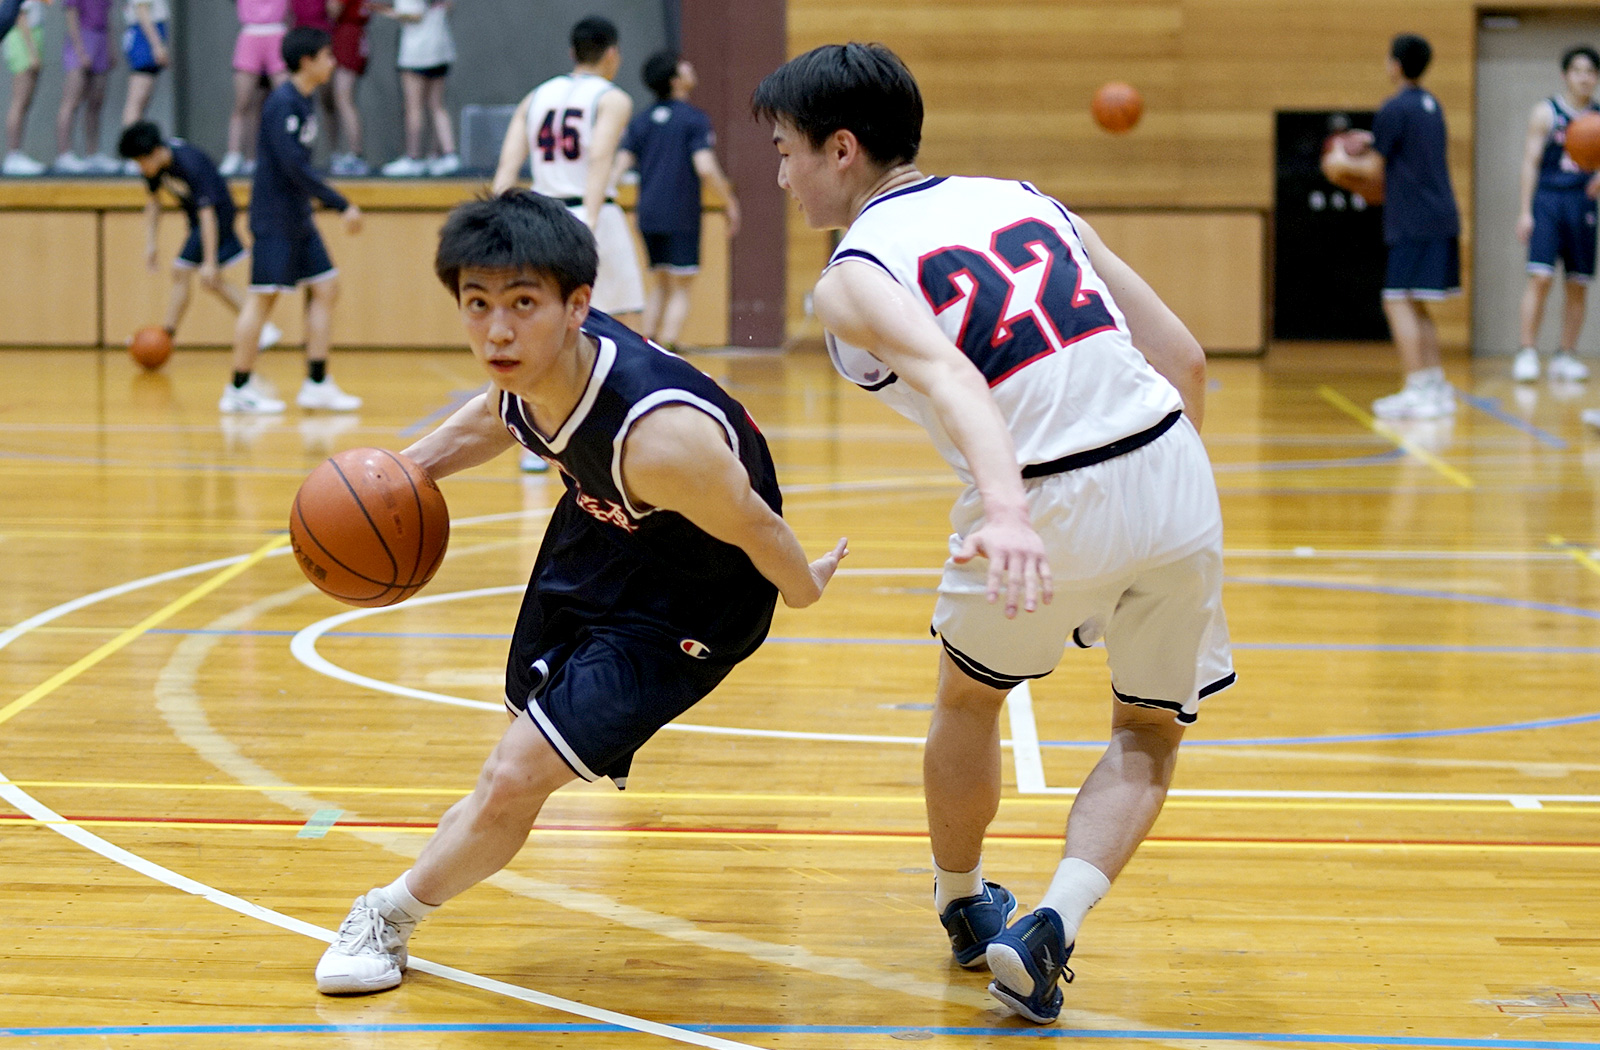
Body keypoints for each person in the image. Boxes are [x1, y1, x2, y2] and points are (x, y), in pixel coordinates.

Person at [753, 43, 1234, 1025]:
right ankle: (1054, 916)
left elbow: (953, 377)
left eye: (784, 150)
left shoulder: (851, 278)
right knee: (1146, 729)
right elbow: (1181, 356)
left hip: (1041, 497)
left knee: (968, 702)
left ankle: (964, 905)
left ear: (840, 150)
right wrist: (1165, 497)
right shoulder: (1027, 199)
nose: (779, 172)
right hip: (1172, 464)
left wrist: (1009, 510)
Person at [312, 189, 849, 995]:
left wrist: (804, 589)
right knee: (511, 765)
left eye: (522, 304)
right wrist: (395, 476)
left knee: (513, 777)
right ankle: (462, 843)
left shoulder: (661, 440)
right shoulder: (531, 368)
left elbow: (756, 525)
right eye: (477, 304)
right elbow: (498, 416)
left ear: (577, 305)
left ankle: (387, 917)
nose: (497, 329)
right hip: (599, 539)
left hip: (691, 601)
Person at [494, 14, 645, 471]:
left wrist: (495, 221)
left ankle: (536, 443)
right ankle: (631, 430)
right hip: (586, 212)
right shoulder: (613, 97)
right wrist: (592, 218)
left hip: (539, 217)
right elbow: (600, 156)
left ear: (572, 53)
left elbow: (507, 167)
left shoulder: (536, 96)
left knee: (543, 329)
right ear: (612, 54)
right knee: (628, 324)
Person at [225, 25, 362, 415]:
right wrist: (340, 203)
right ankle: (238, 386)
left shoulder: (305, 101)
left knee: (325, 286)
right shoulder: (282, 102)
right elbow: (292, 167)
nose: (333, 62)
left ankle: (317, 382)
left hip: (298, 217)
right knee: (262, 299)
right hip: (274, 218)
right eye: (327, 56)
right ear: (308, 61)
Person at [1325, 34, 1462, 420]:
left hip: (1414, 219)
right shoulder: (1430, 104)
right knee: (1416, 301)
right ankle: (1435, 386)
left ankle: (1417, 388)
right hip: (1440, 214)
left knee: (1396, 300)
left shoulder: (1393, 108)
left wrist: (1337, 159)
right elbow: (1408, 150)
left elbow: (1371, 169)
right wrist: (1372, 139)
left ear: (1396, 65)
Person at [118, 120, 282, 352]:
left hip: (218, 217)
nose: (139, 168)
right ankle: (262, 328)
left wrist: (209, 261)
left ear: (154, 153)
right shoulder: (154, 166)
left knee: (184, 270)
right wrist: (151, 243)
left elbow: (208, 215)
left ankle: (166, 337)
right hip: (199, 219)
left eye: (140, 162)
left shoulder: (189, 163)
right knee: (210, 281)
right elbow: (154, 202)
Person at [615, 50, 741, 349]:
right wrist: (730, 202)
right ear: (675, 80)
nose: (690, 67)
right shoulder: (693, 120)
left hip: (647, 214)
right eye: (684, 66)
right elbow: (705, 167)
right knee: (682, 286)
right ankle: (669, 344)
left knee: (659, 281)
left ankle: (647, 346)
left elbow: (617, 169)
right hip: (680, 212)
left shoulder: (641, 121)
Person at [1512, 45, 1599, 385]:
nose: (1584, 77)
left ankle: (1566, 354)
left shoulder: (1598, 116)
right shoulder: (1546, 112)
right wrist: (1525, 212)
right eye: (1578, 71)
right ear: (1566, 75)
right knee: (1541, 278)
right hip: (1548, 200)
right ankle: (1527, 350)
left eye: (1590, 72)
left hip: (1583, 203)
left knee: (1578, 284)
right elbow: (1530, 162)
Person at [378, 0, 457, 176]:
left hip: (416, 51)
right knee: (437, 105)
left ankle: (414, 157)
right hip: (440, 46)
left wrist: (388, 12)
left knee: (414, 108)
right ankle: (446, 154)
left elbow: (414, 15)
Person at [222, 0, 290, 176]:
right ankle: (237, 154)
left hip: (277, 33)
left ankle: (287, 154)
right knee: (243, 104)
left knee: (287, 103)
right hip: (250, 34)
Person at [53, 0, 115, 173]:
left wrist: (110, 47)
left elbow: (107, 19)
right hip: (82, 36)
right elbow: (71, 16)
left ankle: (92, 153)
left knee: (96, 101)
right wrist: (80, 50)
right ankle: (64, 154)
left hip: (100, 38)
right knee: (71, 101)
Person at [1, 0, 45, 175]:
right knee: (19, 100)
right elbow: (18, 16)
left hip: (31, 39)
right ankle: (13, 154)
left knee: (25, 101)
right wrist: (32, 51)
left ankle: (16, 153)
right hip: (22, 41)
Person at [327, 0, 370, 174]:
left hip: (348, 37)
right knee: (345, 98)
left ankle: (355, 154)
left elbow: (333, 10)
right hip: (356, 35)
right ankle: (354, 154)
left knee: (343, 99)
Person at [118, 0, 169, 134]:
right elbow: (142, 10)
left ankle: (136, 145)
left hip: (147, 36)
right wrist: (157, 45)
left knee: (142, 101)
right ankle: (131, 147)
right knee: (136, 100)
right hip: (144, 37)